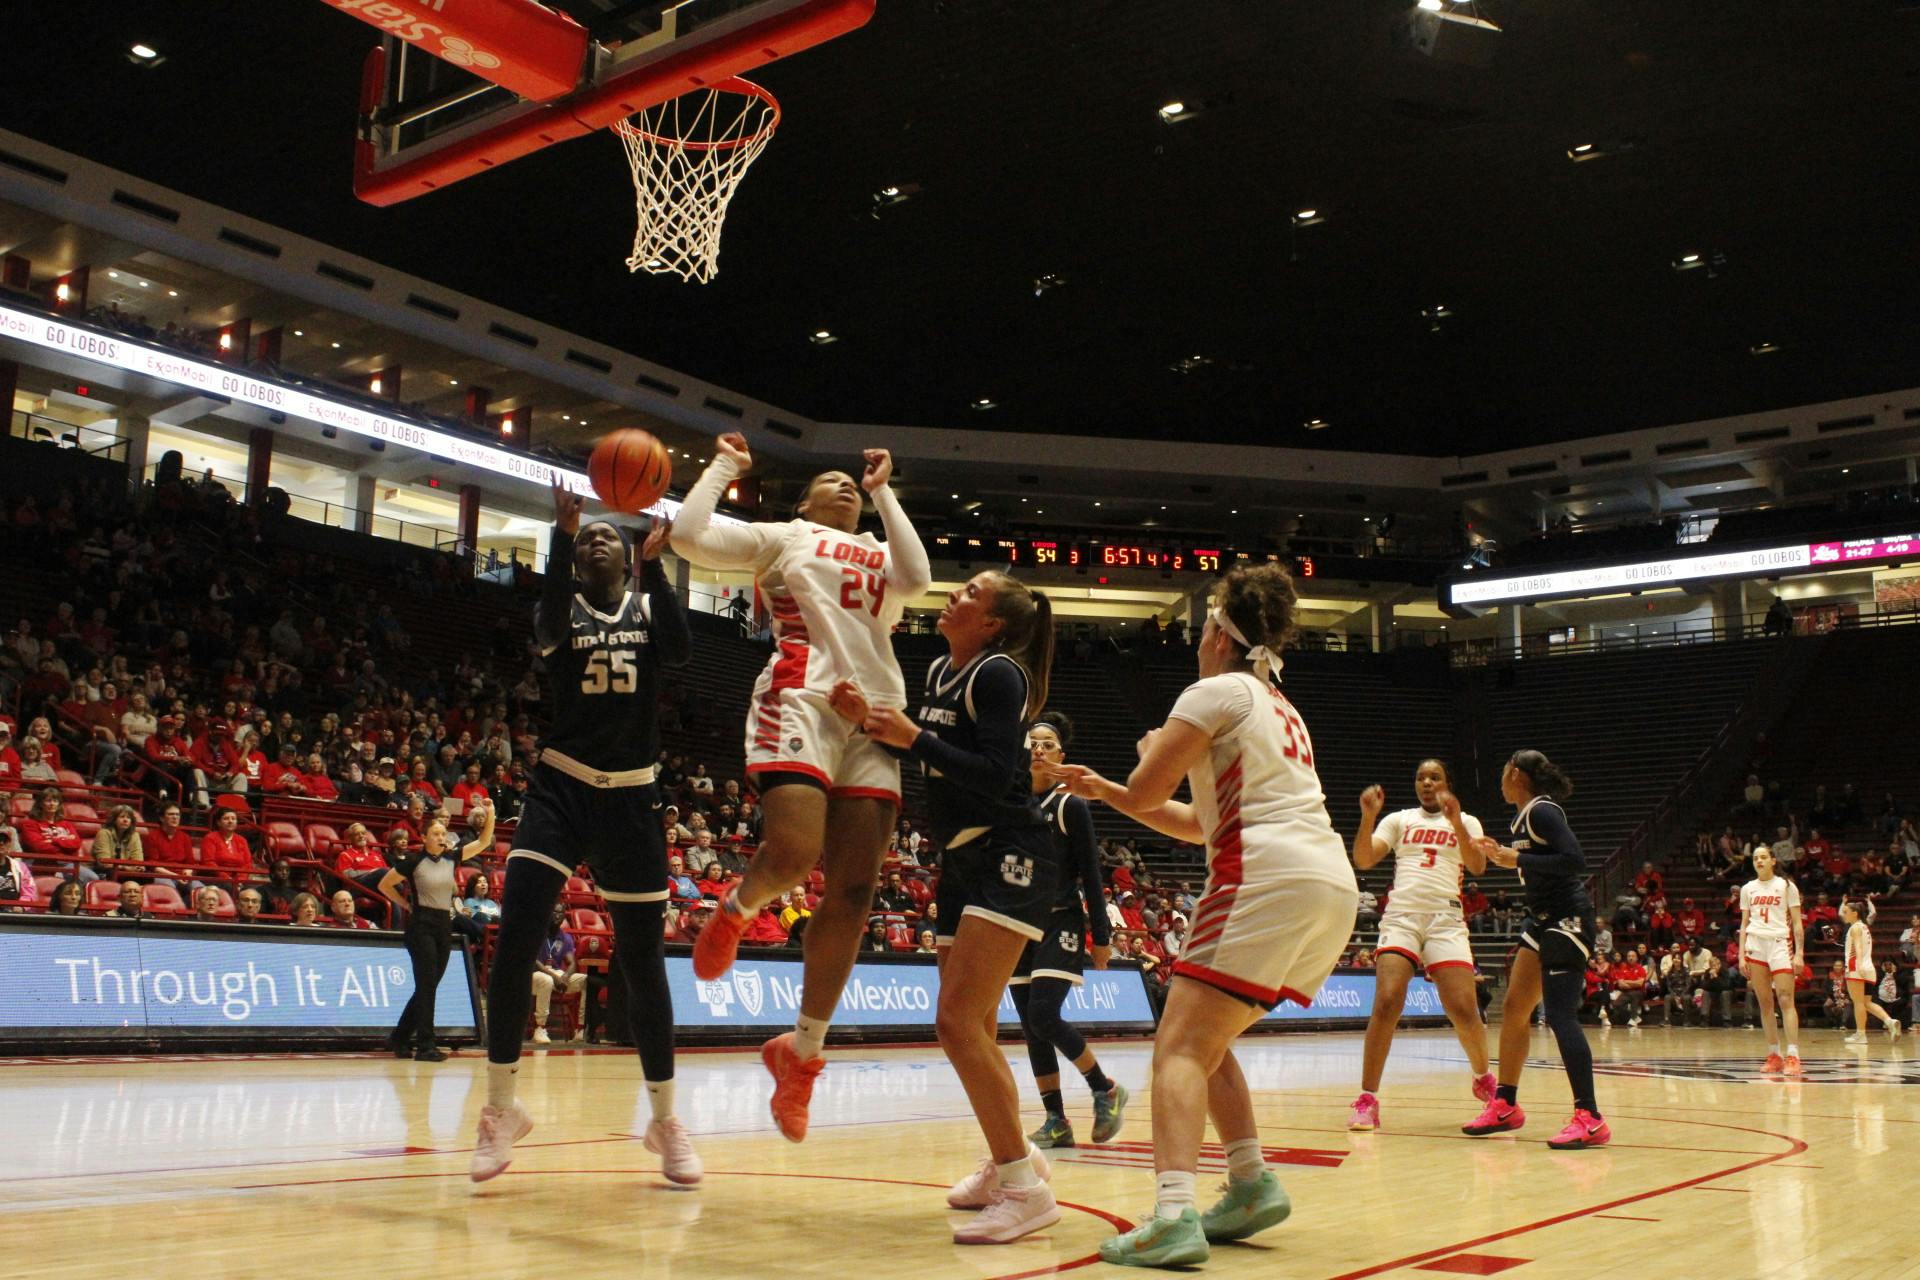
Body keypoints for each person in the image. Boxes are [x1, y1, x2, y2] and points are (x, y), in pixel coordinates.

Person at [1052, 563, 1355, 1267]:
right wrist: (1110, 789)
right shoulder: (1278, 703)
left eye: (1204, 623)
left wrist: (1135, 771)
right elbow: (1197, 822)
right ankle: (1248, 1182)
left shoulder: (1213, 690)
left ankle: (1172, 1214)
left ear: (1219, 630)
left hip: (1268, 874)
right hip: (1326, 882)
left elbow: (1147, 786)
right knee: (1208, 1040)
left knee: (1179, 1046)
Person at [671, 432, 931, 1143]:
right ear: (804, 501)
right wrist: (724, 464)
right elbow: (688, 536)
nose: (845, 485)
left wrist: (885, 491)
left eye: (853, 483)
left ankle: (802, 1056)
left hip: (876, 716)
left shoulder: (881, 547)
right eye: (832, 480)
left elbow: (915, 579)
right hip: (802, 697)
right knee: (791, 854)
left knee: (853, 892)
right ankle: (735, 907)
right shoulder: (782, 536)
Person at [471, 483, 699, 1187]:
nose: (598, 538)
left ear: (628, 560)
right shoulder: (561, 609)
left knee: (642, 962)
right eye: (586, 537)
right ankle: (500, 1110)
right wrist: (557, 541)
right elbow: (541, 630)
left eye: (609, 535)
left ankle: (664, 1122)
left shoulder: (646, 603)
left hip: (632, 798)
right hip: (561, 787)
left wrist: (658, 566)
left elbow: (683, 650)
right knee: (514, 940)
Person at [841, 567, 1058, 1245]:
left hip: (1010, 850)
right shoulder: (939, 669)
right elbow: (934, 753)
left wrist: (909, 739)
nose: (955, 595)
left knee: (957, 1022)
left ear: (992, 622)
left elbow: (996, 774)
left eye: (971, 593)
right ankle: (1010, 1160)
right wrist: (869, 726)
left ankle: (1026, 1191)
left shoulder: (1000, 674)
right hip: (963, 858)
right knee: (978, 1026)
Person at [1462, 750, 1608, 1151]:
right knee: (1514, 1008)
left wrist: (1519, 857)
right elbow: (1543, 862)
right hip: (1540, 918)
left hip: (1567, 918)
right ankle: (1506, 1103)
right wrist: (1508, 860)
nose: (1500, 779)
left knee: (1560, 1015)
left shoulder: (1544, 811)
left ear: (1515, 773)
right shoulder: (1522, 817)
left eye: (1503, 772)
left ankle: (1590, 1116)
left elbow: (1574, 860)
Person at [1346, 759, 1494, 1131]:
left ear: (1447, 783)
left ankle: (1483, 1078)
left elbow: (1477, 866)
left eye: (1435, 777)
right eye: (1420, 777)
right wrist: (1368, 816)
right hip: (1402, 918)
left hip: (1446, 920)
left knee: (1463, 1008)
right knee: (1387, 1000)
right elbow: (1363, 859)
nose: (1426, 783)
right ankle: (1368, 1099)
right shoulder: (1398, 820)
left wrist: (1457, 821)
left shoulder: (1467, 821)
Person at [1016, 712, 1127, 1151]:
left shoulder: (1070, 806)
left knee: (1044, 1015)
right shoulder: (1015, 806)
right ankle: (1056, 1120)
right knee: (1030, 1026)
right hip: (1018, 924)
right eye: (1032, 743)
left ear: (1062, 755)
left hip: (1060, 920)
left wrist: (1101, 937)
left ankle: (1106, 1088)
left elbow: (1093, 876)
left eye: (1047, 743)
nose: (1038, 749)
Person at [387, 802, 496, 1061]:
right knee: (427, 986)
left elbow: (483, 842)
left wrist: (490, 813)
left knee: (430, 985)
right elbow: (385, 884)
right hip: (421, 924)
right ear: (424, 838)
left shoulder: (451, 857)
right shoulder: (414, 861)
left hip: (443, 923)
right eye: (435, 833)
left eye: (443, 833)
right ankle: (426, 1046)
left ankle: (400, 1037)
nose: (440, 836)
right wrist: (405, 904)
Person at [1737, 844, 1806, 1075]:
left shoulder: (1786, 886)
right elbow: (1744, 924)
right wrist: (1741, 956)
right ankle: (1774, 1054)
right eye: (1756, 858)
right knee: (1765, 1003)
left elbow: (1797, 923)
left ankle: (1793, 1056)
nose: (1759, 861)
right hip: (1755, 945)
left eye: (1764, 857)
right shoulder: (1748, 889)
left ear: (1773, 860)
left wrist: (1799, 953)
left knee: (1786, 999)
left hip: (1780, 944)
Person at [1840, 899, 1901, 1042]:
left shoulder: (1855, 928)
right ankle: (1890, 1022)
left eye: (1846, 912)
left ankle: (1861, 1035)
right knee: (1866, 1003)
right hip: (1869, 969)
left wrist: (1859, 965)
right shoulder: (1864, 927)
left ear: (1855, 913)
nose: (1844, 914)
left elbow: (1858, 948)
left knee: (1858, 1003)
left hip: (1857, 967)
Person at [531, 901, 588, 1042]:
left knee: (586, 980)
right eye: (554, 912)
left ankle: (580, 1028)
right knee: (547, 980)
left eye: (560, 913)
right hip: (534, 975)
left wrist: (566, 976)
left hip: (557, 974)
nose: (557, 916)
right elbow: (533, 961)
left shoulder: (565, 937)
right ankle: (540, 1028)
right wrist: (554, 976)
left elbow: (572, 961)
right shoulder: (536, 932)